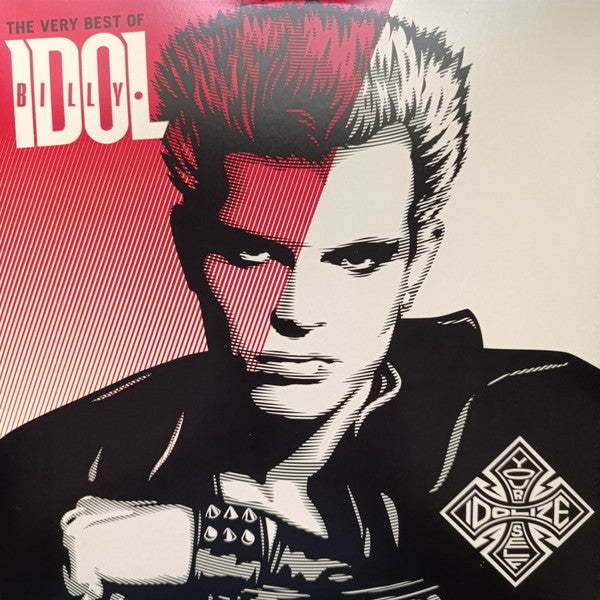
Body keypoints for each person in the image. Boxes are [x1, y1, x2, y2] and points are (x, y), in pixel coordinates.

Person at [1, 4, 597, 600]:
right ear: (189, 250)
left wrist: (224, 550)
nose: (296, 311)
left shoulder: (535, 411)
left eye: (357, 259)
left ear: (417, 264)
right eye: (252, 254)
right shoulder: (66, 461)